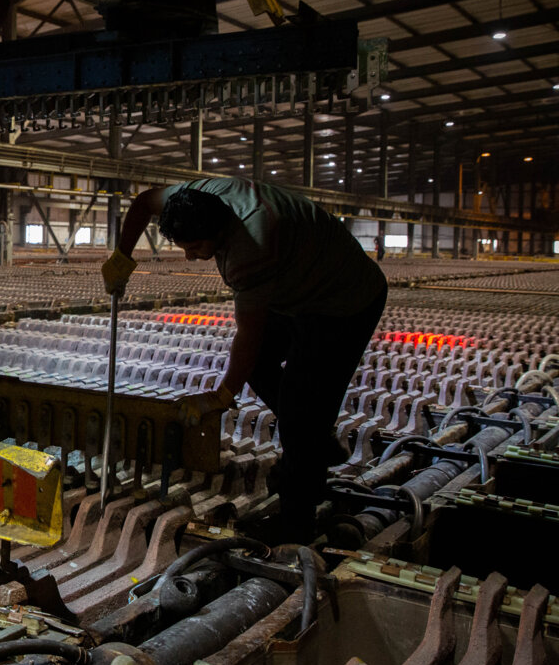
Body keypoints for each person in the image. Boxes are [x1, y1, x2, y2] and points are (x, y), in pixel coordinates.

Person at [102, 178, 387, 543]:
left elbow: (249, 337)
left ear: (220, 233)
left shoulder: (250, 248)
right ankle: (314, 443)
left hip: (344, 300)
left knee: (301, 403)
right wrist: (122, 256)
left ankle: (297, 523)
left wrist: (223, 396)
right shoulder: (190, 197)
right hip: (298, 284)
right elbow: (142, 203)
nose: (189, 256)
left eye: (195, 247)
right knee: (294, 409)